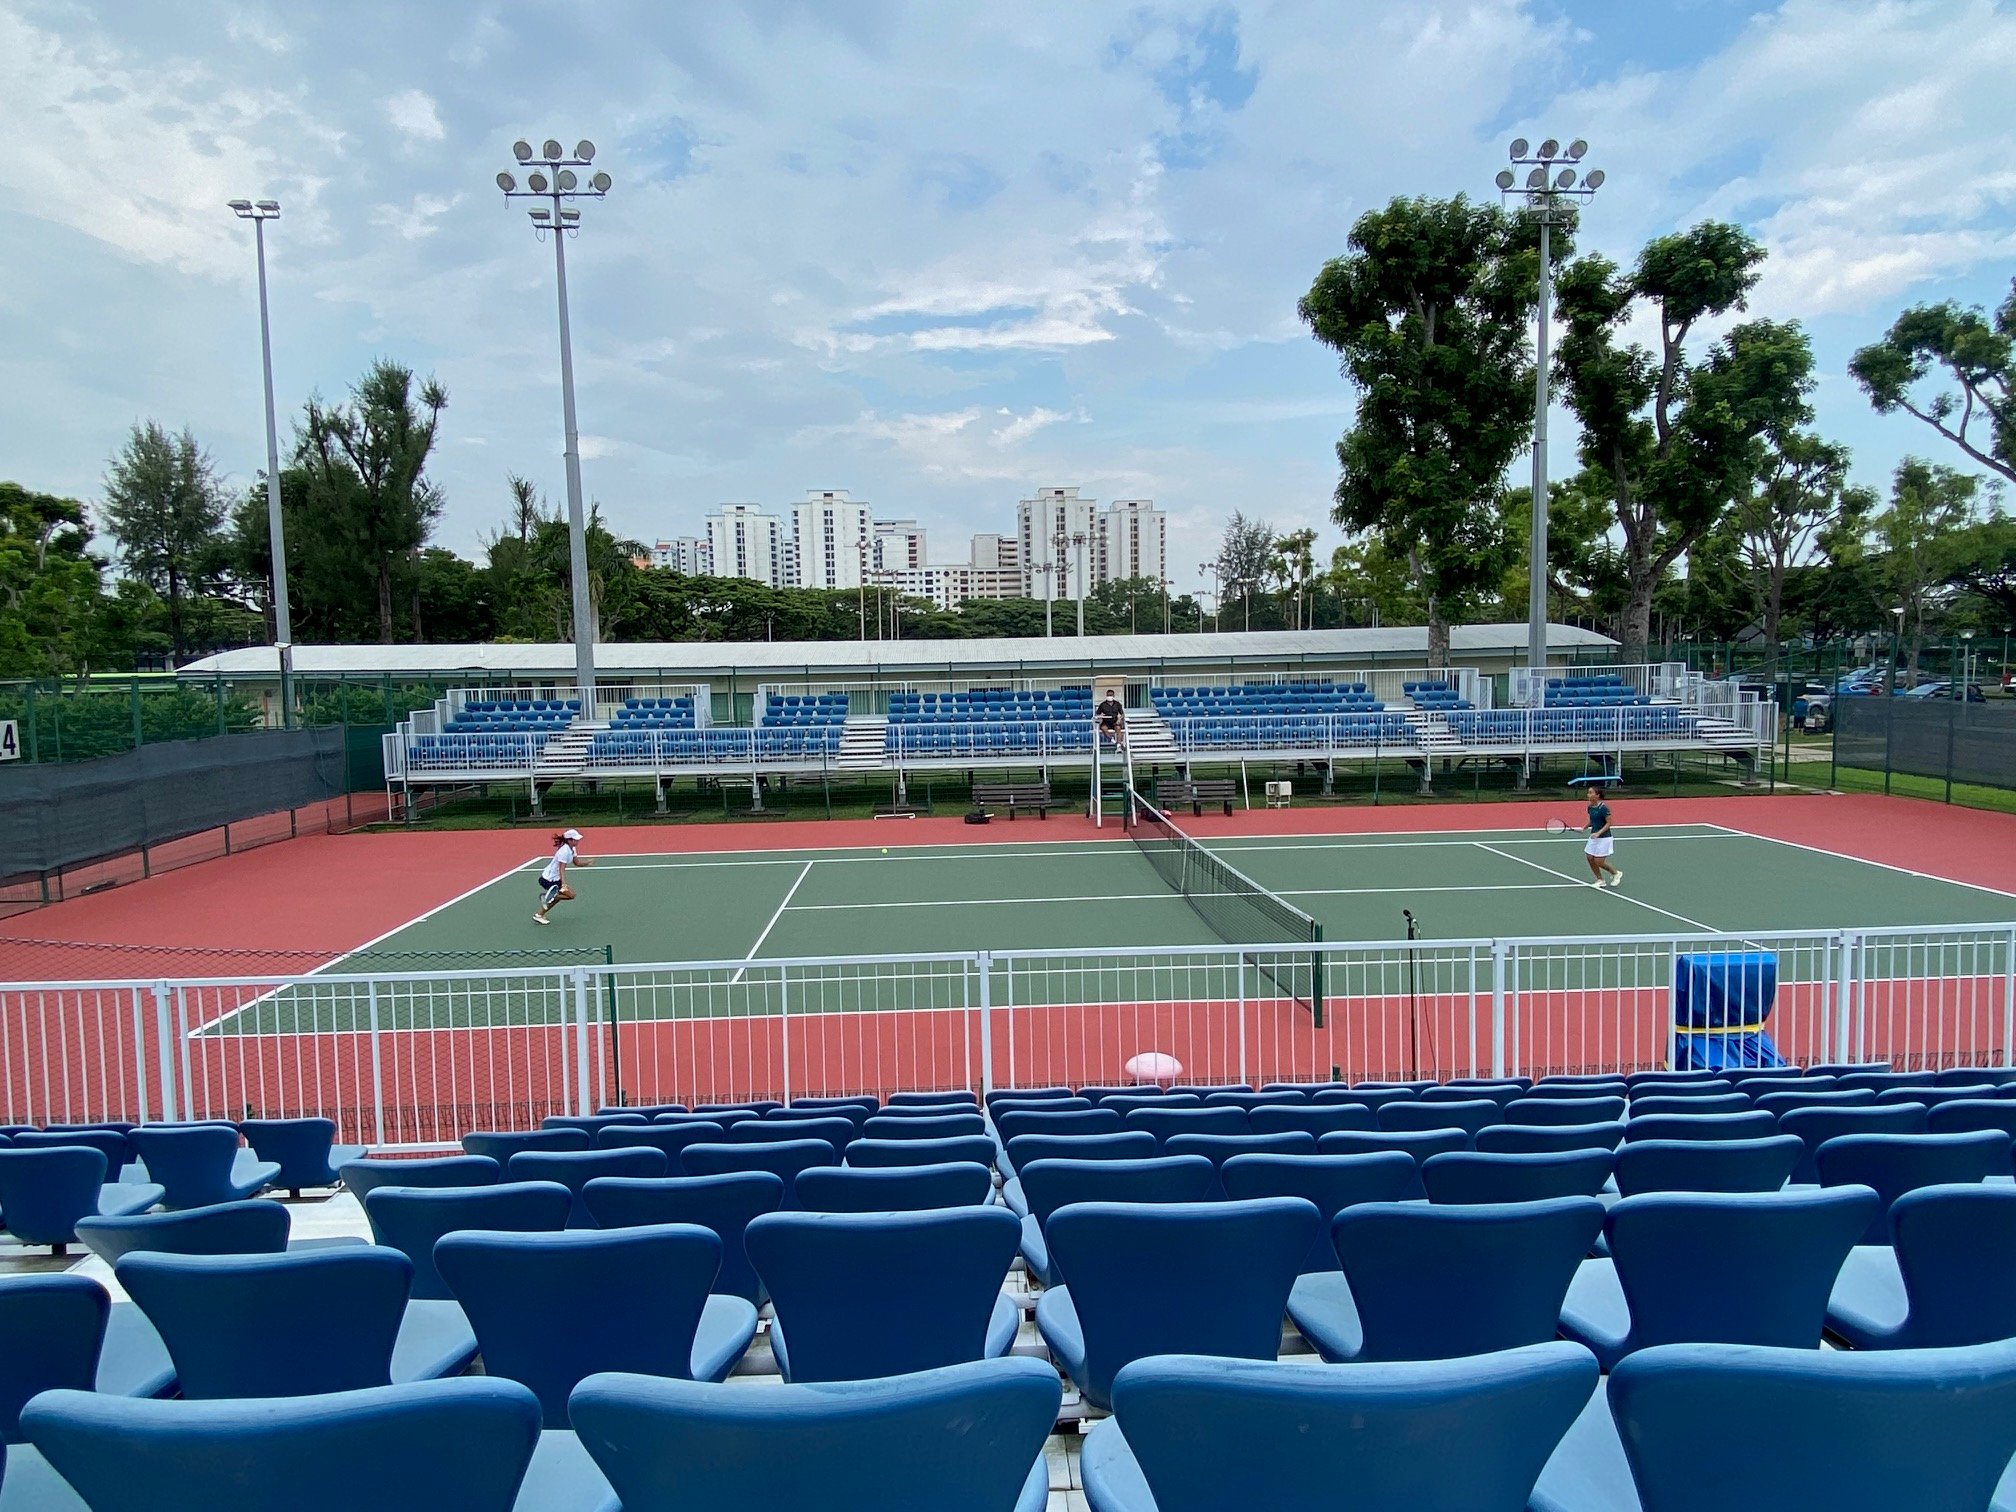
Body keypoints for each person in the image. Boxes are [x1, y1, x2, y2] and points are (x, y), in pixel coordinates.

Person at [534, 828, 589, 924]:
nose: (578, 840)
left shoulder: (572, 849)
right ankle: (547, 899)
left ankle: (540, 914)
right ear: (569, 840)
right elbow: (561, 869)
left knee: (564, 896)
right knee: (570, 895)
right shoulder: (564, 852)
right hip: (549, 879)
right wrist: (564, 884)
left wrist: (587, 863)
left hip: (556, 878)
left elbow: (577, 863)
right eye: (575, 839)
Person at [1583, 790, 1622, 890]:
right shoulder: (1590, 807)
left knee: (1599, 861)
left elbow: (1609, 823)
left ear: (1597, 795)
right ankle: (1600, 880)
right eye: (1588, 793)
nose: (1588, 795)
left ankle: (1616, 873)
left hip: (1604, 838)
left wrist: (1598, 833)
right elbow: (1592, 820)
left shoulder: (1603, 808)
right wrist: (1585, 827)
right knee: (1589, 857)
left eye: (1591, 793)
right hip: (1594, 837)